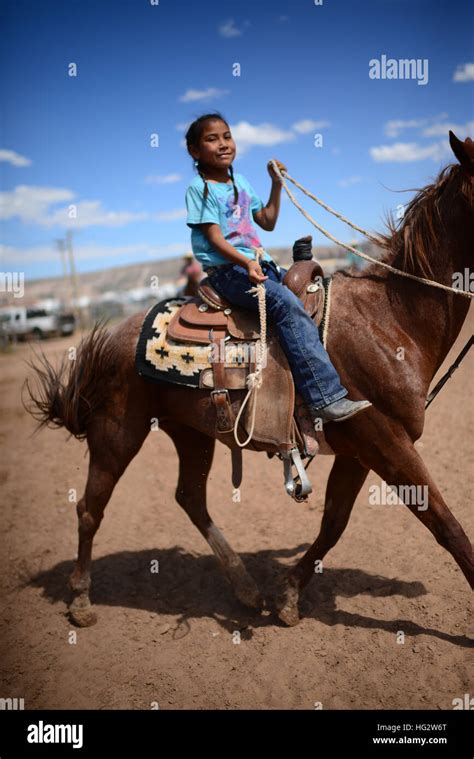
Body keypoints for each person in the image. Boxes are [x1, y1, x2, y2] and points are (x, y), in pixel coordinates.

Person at [184, 111, 371, 425]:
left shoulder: (240, 182)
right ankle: (324, 397)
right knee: (284, 304)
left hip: (259, 263)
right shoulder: (199, 188)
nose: (223, 144)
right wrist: (245, 261)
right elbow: (214, 238)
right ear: (195, 151)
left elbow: (267, 221)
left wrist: (275, 185)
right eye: (211, 139)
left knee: (317, 293)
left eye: (227, 136)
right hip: (229, 271)